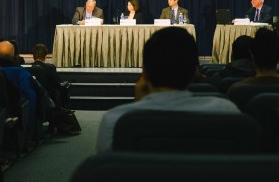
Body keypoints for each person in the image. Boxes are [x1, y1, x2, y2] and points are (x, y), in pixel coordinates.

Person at [96, 27, 240, 153]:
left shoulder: (116, 120)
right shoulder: (226, 111)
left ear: (144, 71)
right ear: (195, 72)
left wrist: (138, 107)